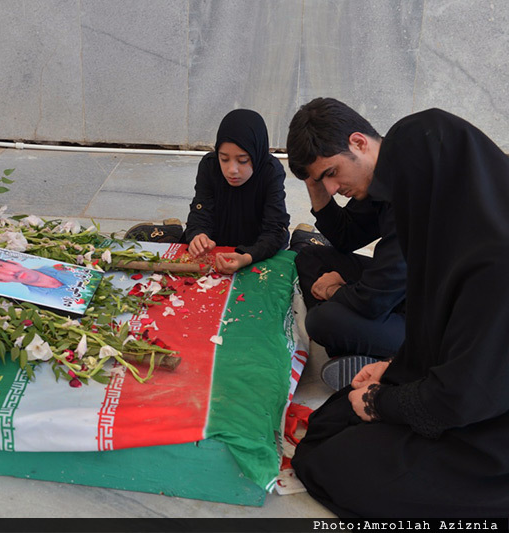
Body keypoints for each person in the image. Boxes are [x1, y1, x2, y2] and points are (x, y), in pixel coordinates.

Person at [286, 97, 509, 517]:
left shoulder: (494, 265)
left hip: (488, 434)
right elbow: (445, 335)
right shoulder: (451, 229)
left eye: (331, 173)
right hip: (458, 391)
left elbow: (468, 394)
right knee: (330, 422)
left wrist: (381, 402)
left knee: (332, 461)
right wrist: (393, 369)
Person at [288, 103, 408, 390]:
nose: (332, 189)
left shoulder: (410, 184)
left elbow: (376, 298)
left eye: (332, 172)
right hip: (404, 287)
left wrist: (335, 291)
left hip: (444, 320)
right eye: (322, 179)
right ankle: (362, 350)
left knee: (322, 321)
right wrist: (314, 183)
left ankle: (390, 359)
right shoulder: (381, 171)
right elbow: (346, 237)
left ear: (358, 143)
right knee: (310, 257)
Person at [182, 109, 290, 274]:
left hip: (256, 249)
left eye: (243, 160)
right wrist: (199, 236)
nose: (232, 170)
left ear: (257, 154)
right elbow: (200, 212)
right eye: (224, 159)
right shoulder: (210, 166)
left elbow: (275, 229)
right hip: (216, 247)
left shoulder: (270, 171)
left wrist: (248, 256)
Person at [0, 257, 78, 300]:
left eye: (0, 265)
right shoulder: (40, 298)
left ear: (13, 262)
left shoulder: (58, 267)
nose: (10, 272)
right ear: (1, 281)